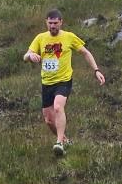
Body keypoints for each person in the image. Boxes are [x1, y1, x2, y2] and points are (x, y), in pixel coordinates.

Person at [23, 10, 105, 157]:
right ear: (46, 22)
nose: (52, 26)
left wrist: (96, 70)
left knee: (58, 107)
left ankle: (59, 143)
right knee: (48, 120)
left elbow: (86, 53)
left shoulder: (69, 37)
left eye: (55, 23)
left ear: (61, 22)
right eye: (50, 23)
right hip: (47, 82)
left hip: (63, 80)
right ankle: (65, 141)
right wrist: (31, 56)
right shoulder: (40, 38)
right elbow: (25, 55)